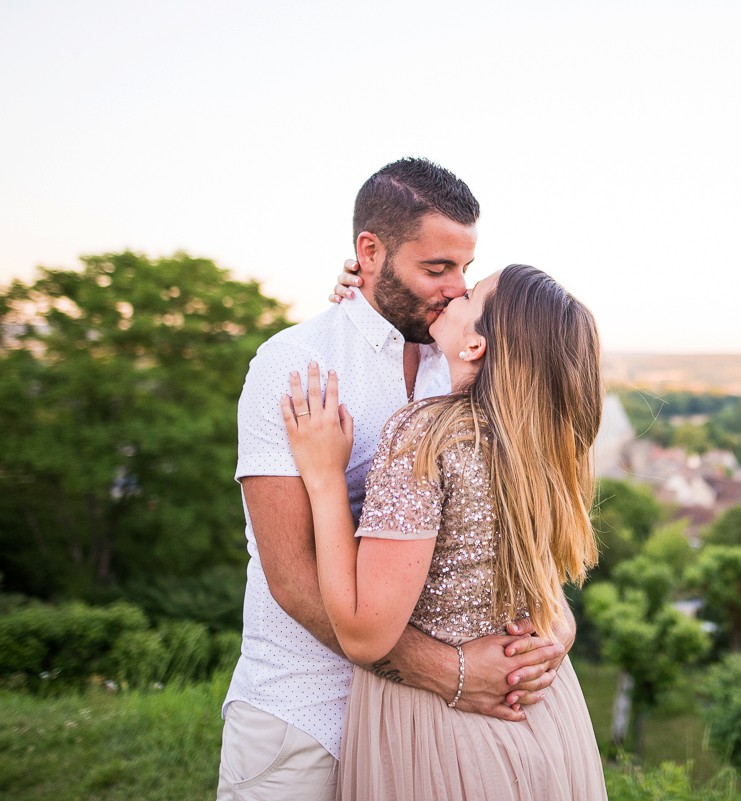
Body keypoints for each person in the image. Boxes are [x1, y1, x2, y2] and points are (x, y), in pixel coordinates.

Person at [219, 159, 573, 801]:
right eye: (436, 269)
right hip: (307, 711)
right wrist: (449, 672)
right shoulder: (295, 366)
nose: (454, 289)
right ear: (370, 253)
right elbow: (292, 577)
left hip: (435, 735)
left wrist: (549, 633)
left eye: (464, 269)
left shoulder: (460, 358)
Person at [284, 263, 607, 800]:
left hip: (440, 738)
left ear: (477, 345)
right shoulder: (544, 448)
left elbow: (365, 634)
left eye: (471, 294)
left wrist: (323, 478)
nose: (455, 291)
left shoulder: (428, 436)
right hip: (550, 723)